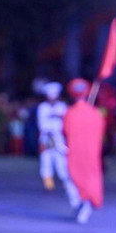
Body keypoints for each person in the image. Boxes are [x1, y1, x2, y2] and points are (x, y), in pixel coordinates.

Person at [63, 78, 105, 224]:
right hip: (92, 153)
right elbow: (101, 133)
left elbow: (65, 131)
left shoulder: (70, 113)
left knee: (73, 177)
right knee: (89, 178)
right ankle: (84, 204)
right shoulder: (96, 113)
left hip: (75, 152)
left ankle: (81, 204)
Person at [37, 81, 80, 210]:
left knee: (62, 164)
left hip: (60, 140)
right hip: (46, 139)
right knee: (46, 162)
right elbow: (42, 124)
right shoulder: (42, 107)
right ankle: (49, 186)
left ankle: (67, 184)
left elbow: (67, 122)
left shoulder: (63, 107)